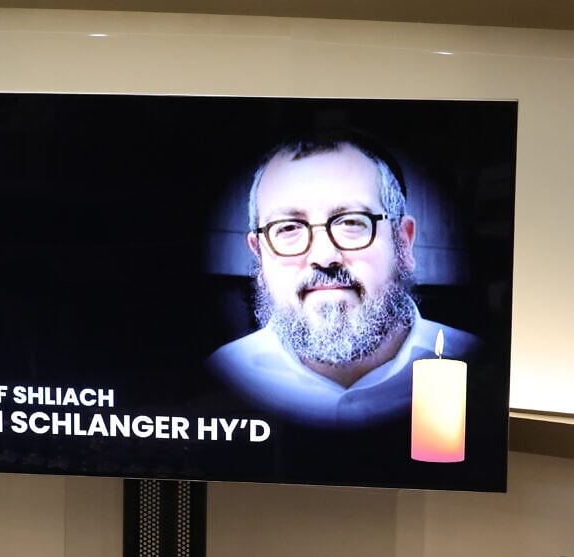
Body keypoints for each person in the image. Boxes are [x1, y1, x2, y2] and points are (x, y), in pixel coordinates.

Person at [206, 136, 481, 429]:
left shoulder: (474, 366)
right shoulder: (218, 374)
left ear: (403, 242)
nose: (325, 257)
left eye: (351, 222)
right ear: (259, 256)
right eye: (288, 228)